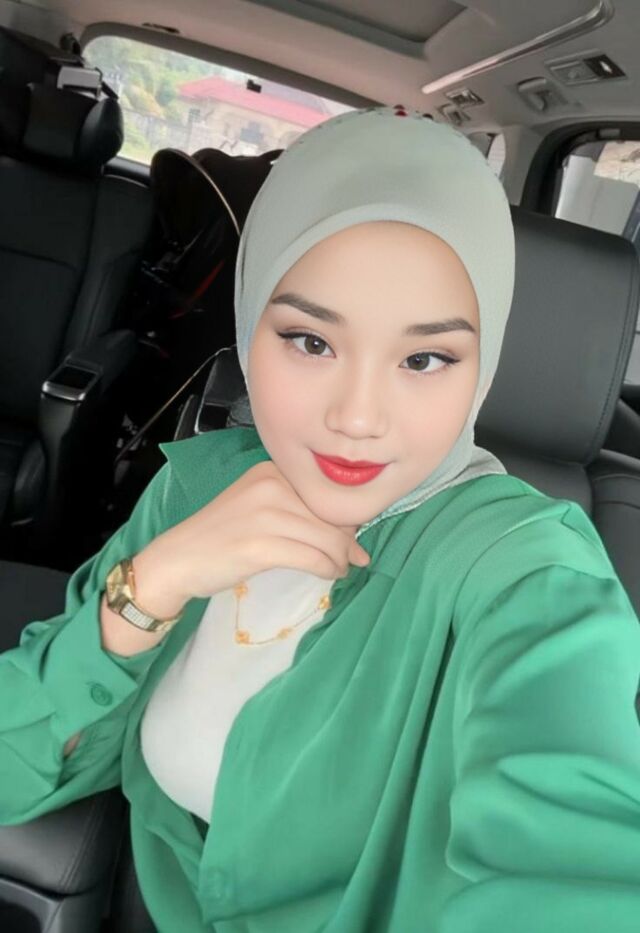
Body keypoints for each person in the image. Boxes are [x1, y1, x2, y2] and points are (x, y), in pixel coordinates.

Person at [1, 105, 640, 933]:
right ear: (248, 324)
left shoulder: (526, 570)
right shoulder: (195, 490)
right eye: (310, 341)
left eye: (425, 358)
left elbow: (570, 862)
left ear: (483, 364)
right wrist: (151, 585)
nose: (357, 417)